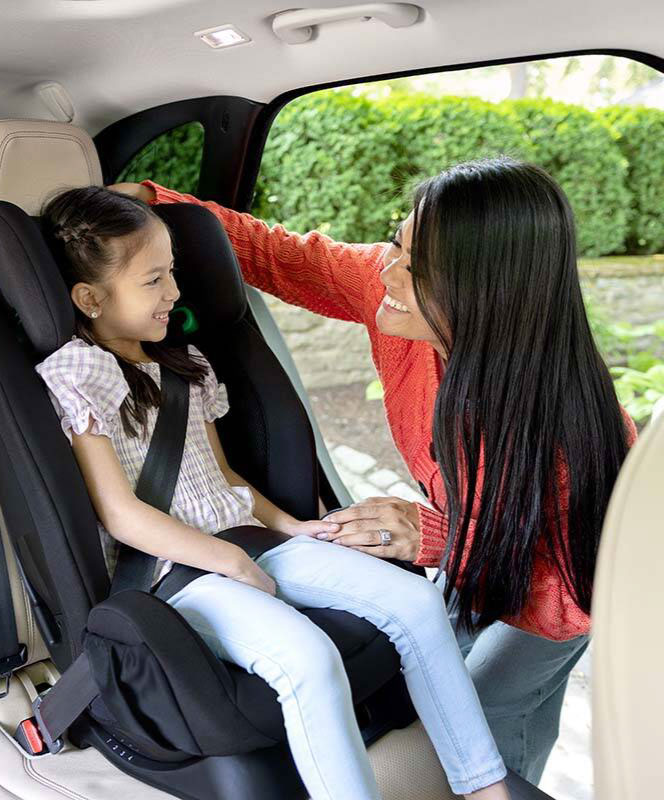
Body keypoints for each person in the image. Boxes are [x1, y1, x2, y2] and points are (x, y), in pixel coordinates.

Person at [113, 156, 637, 785]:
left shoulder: (574, 430)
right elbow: (280, 255)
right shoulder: (396, 301)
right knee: (443, 683)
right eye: (397, 242)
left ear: (485, 292)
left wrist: (441, 538)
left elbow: (578, 599)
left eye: (417, 269)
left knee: (494, 707)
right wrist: (154, 201)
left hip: (562, 588)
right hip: (481, 554)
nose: (386, 271)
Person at [35, 185, 511, 800]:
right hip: (174, 573)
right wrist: (229, 560)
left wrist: (294, 527)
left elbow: (227, 478)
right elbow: (121, 513)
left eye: (172, 272)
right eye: (153, 280)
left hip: (247, 543)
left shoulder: (184, 365)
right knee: (308, 660)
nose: (174, 292)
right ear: (91, 298)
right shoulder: (79, 372)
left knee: (418, 603)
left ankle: (483, 787)